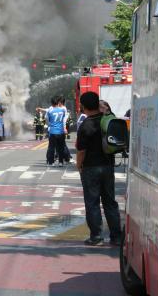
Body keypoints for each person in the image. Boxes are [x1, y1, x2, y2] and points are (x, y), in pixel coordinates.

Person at [76, 91, 121, 246]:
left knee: (92, 202)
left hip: (90, 168)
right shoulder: (107, 120)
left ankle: (96, 237)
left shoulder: (85, 125)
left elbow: (81, 151)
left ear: (83, 106)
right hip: (108, 166)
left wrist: (78, 165)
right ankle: (116, 237)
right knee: (110, 202)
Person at [45, 96, 70, 167]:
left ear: (52, 103)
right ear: (58, 102)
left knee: (51, 147)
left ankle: (51, 162)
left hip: (52, 132)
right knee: (61, 147)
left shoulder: (50, 111)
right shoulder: (62, 110)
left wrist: (51, 125)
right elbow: (64, 119)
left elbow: (47, 121)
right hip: (61, 131)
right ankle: (61, 162)